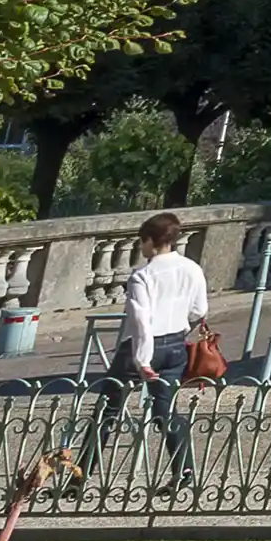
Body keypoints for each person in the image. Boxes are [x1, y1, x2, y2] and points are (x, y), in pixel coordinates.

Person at [104, 211, 210, 494]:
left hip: (142, 346)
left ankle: (82, 473)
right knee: (166, 410)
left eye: (143, 242)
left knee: (107, 409)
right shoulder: (191, 268)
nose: (141, 247)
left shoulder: (143, 275)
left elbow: (141, 321)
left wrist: (142, 359)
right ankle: (183, 471)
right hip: (175, 344)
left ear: (151, 241)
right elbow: (200, 310)